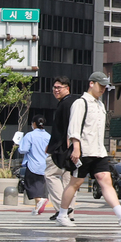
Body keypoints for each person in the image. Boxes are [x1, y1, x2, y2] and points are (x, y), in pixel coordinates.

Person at [56, 72, 121, 228]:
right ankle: (62, 214)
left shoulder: (101, 105)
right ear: (91, 83)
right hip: (84, 151)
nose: (103, 89)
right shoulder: (81, 103)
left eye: (105, 86)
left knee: (106, 181)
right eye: (100, 86)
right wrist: (76, 147)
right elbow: (73, 127)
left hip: (99, 151)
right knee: (75, 183)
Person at [42, 77, 76, 221]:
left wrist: (68, 145)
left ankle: (63, 208)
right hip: (69, 147)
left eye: (59, 87)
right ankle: (69, 213)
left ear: (67, 88)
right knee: (69, 181)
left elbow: (70, 126)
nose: (56, 90)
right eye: (54, 87)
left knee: (50, 175)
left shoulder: (66, 104)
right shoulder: (70, 103)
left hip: (62, 148)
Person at [17, 117, 50, 212]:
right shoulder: (48, 136)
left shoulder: (30, 135)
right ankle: (37, 208)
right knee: (40, 185)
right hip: (45, 164)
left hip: (33, 164)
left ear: (34, 124)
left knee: (30, 185)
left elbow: (23, 149)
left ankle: (40, 200)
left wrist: (19, 146)